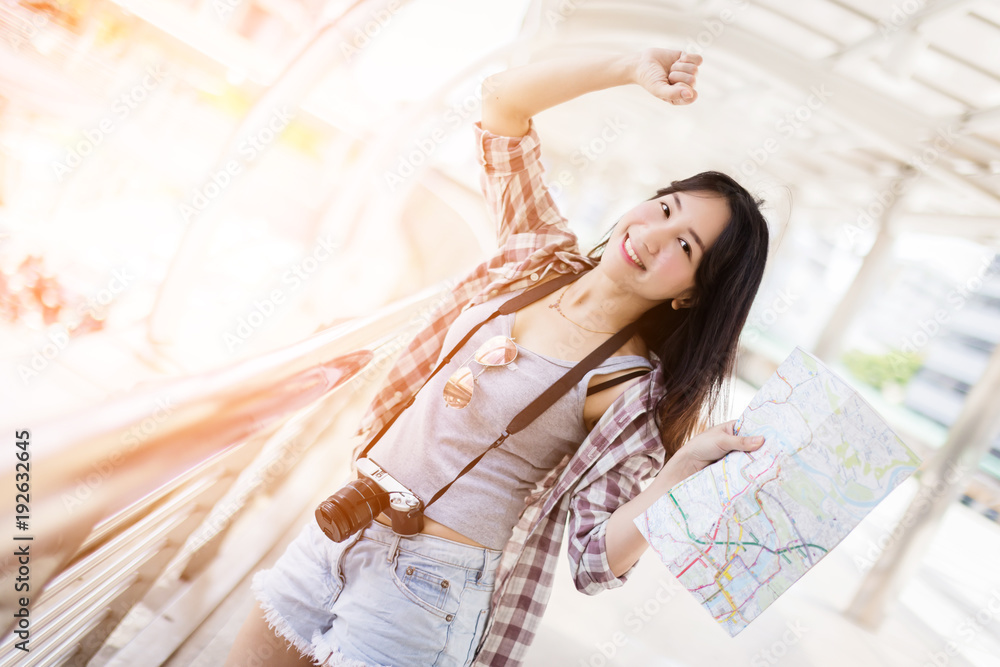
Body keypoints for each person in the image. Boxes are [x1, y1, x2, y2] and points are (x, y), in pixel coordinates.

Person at [226, 46, 770, 667]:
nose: (650, 235)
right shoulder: (536, 256)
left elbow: (597, 560)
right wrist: (627, 68)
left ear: (692, 293)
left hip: (425, 593)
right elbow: (502, 104)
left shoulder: (626, 388)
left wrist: (679, 474)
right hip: (342, 527)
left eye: (684, 245)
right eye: (666, 208)